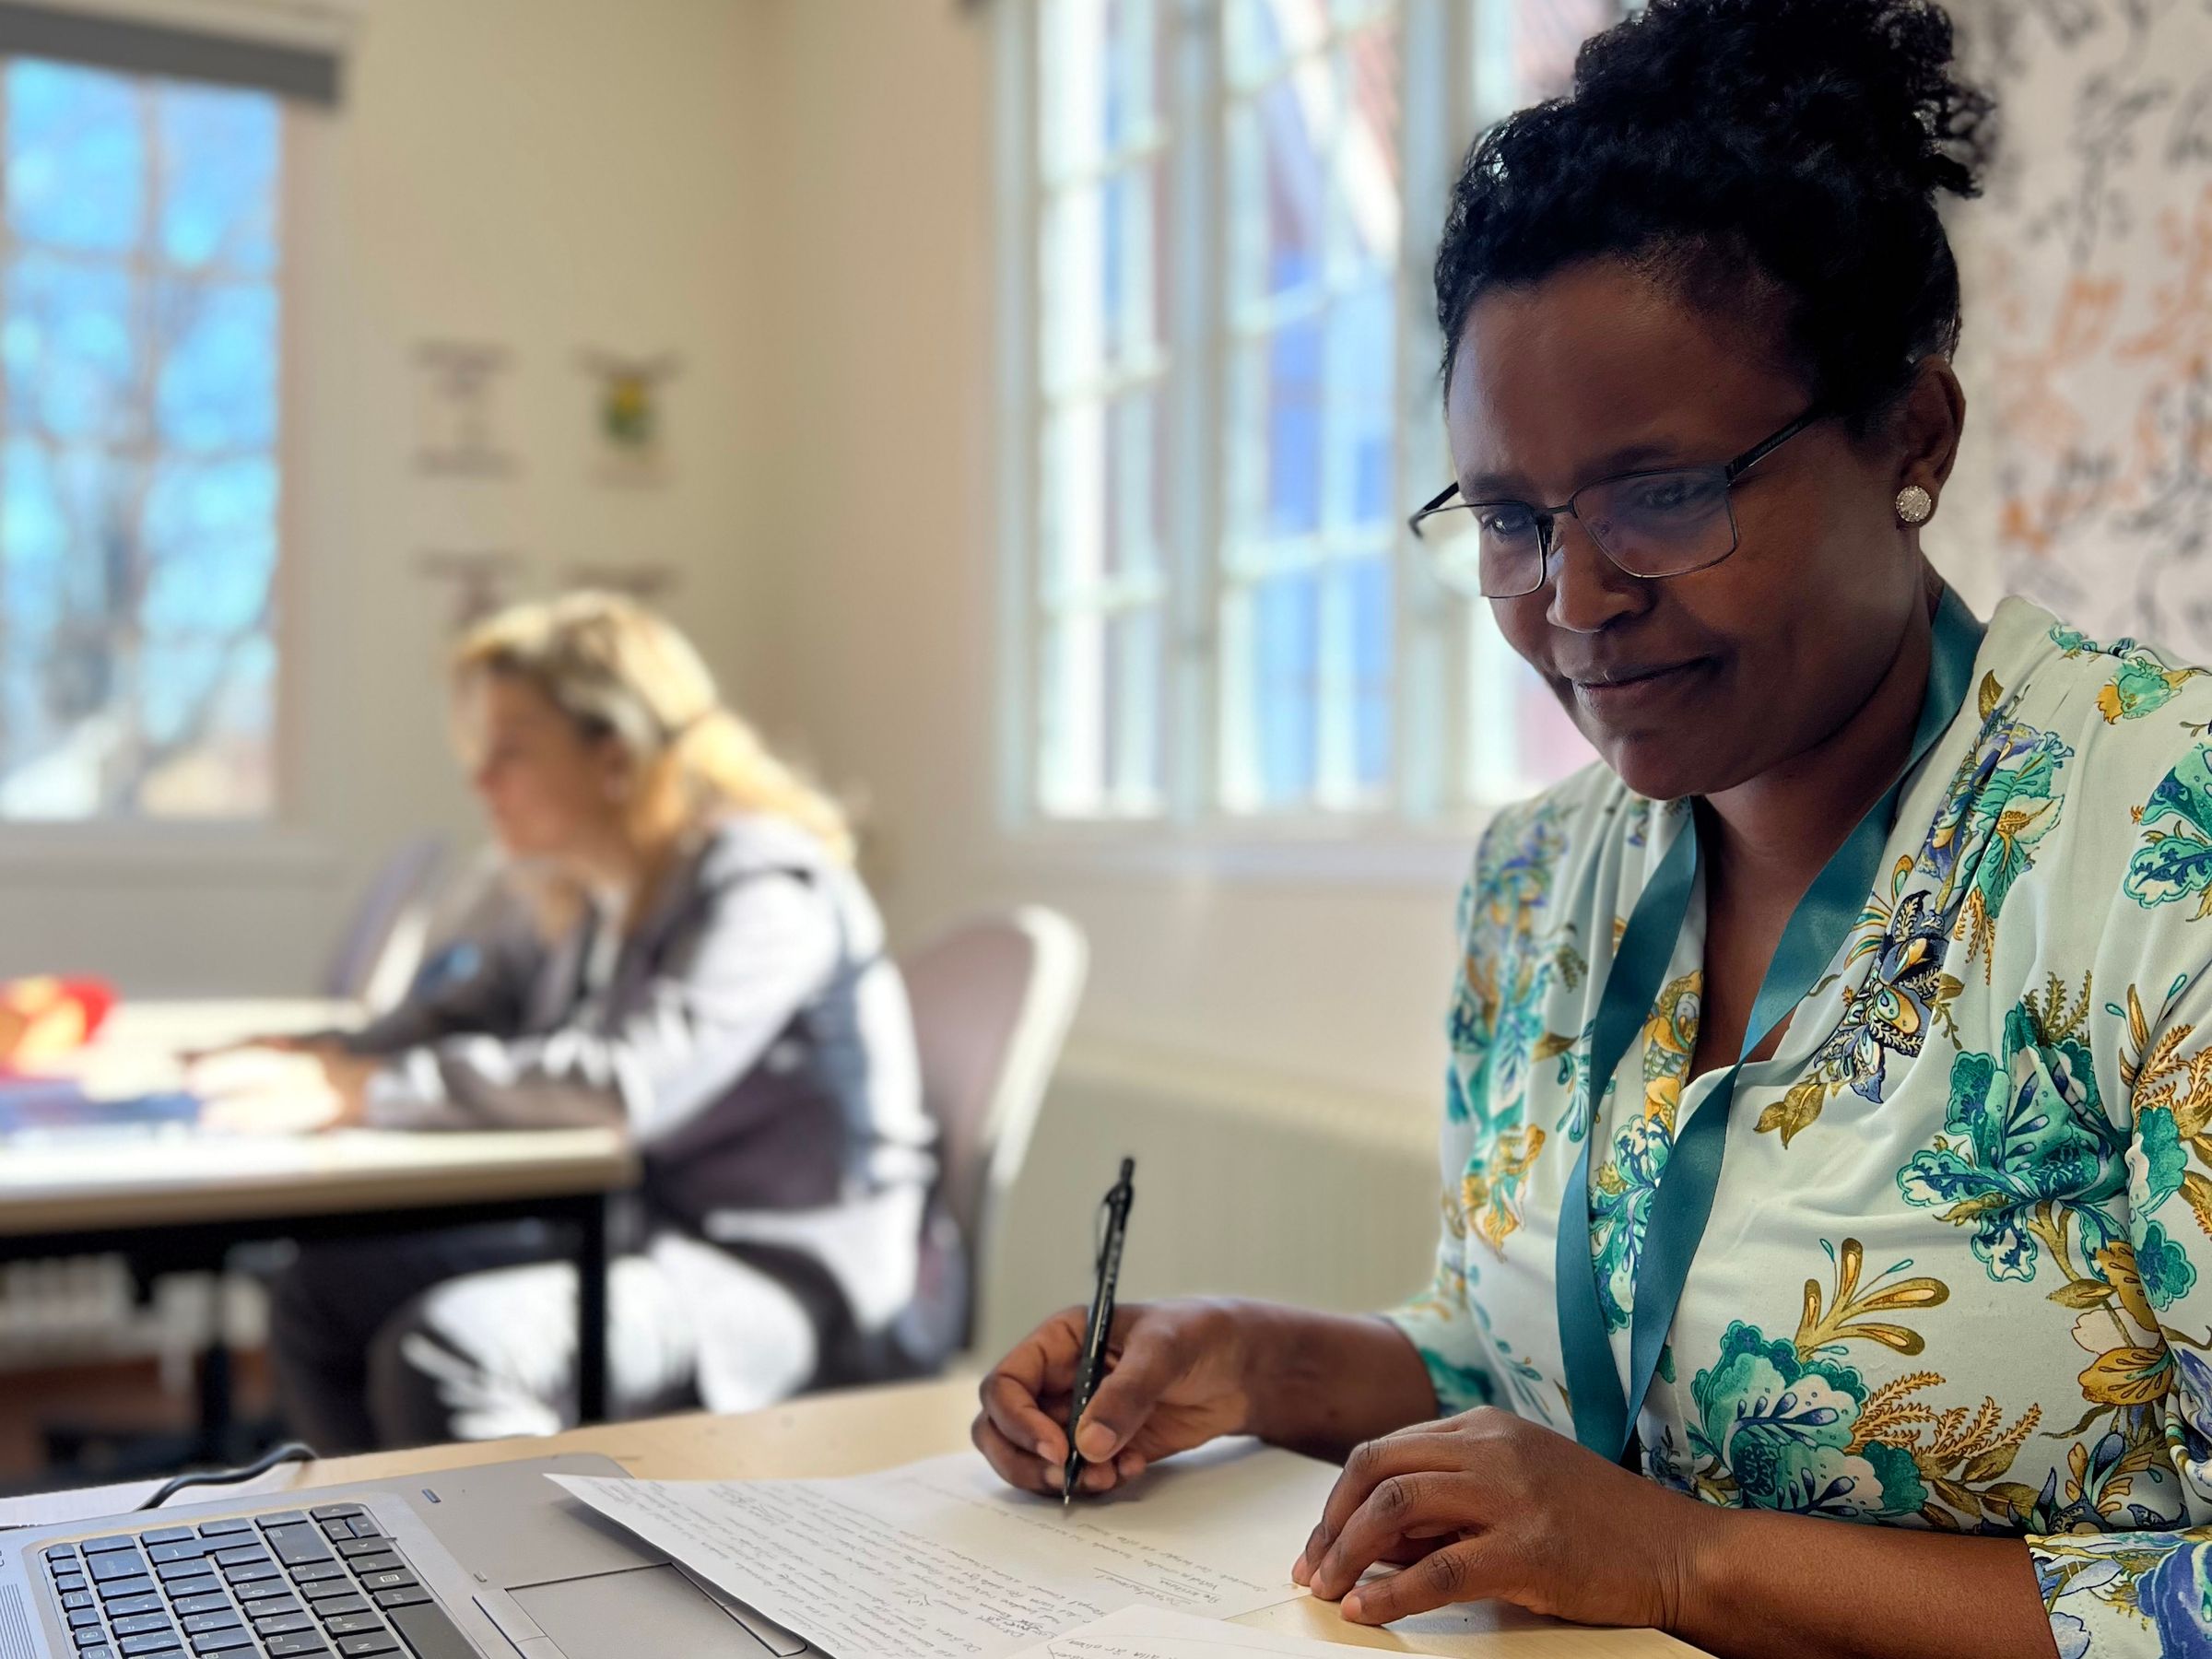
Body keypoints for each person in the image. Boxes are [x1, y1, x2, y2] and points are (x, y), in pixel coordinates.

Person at [976, 3, 2212, 1654]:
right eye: (1509, 517)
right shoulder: (1540, 879)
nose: (1574, 603)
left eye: (1661, 495)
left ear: (1911, 437)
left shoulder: (2162, 849)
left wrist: (1685, 1565)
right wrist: (1249, 1361)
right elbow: (1548, 1366)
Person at [238, 592, 936, 1452]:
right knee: (320, 1294)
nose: (480, 780)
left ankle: (505, 1587)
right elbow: (468, 1011)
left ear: (615, 754)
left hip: (780, 1283)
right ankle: (379, 1562)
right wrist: (321, 1058)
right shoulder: (596, 892)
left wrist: (372, 1091)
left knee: (453, 1349)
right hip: (642, 1234)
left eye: (512, 751)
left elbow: (625, 1082)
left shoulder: (762, 883)